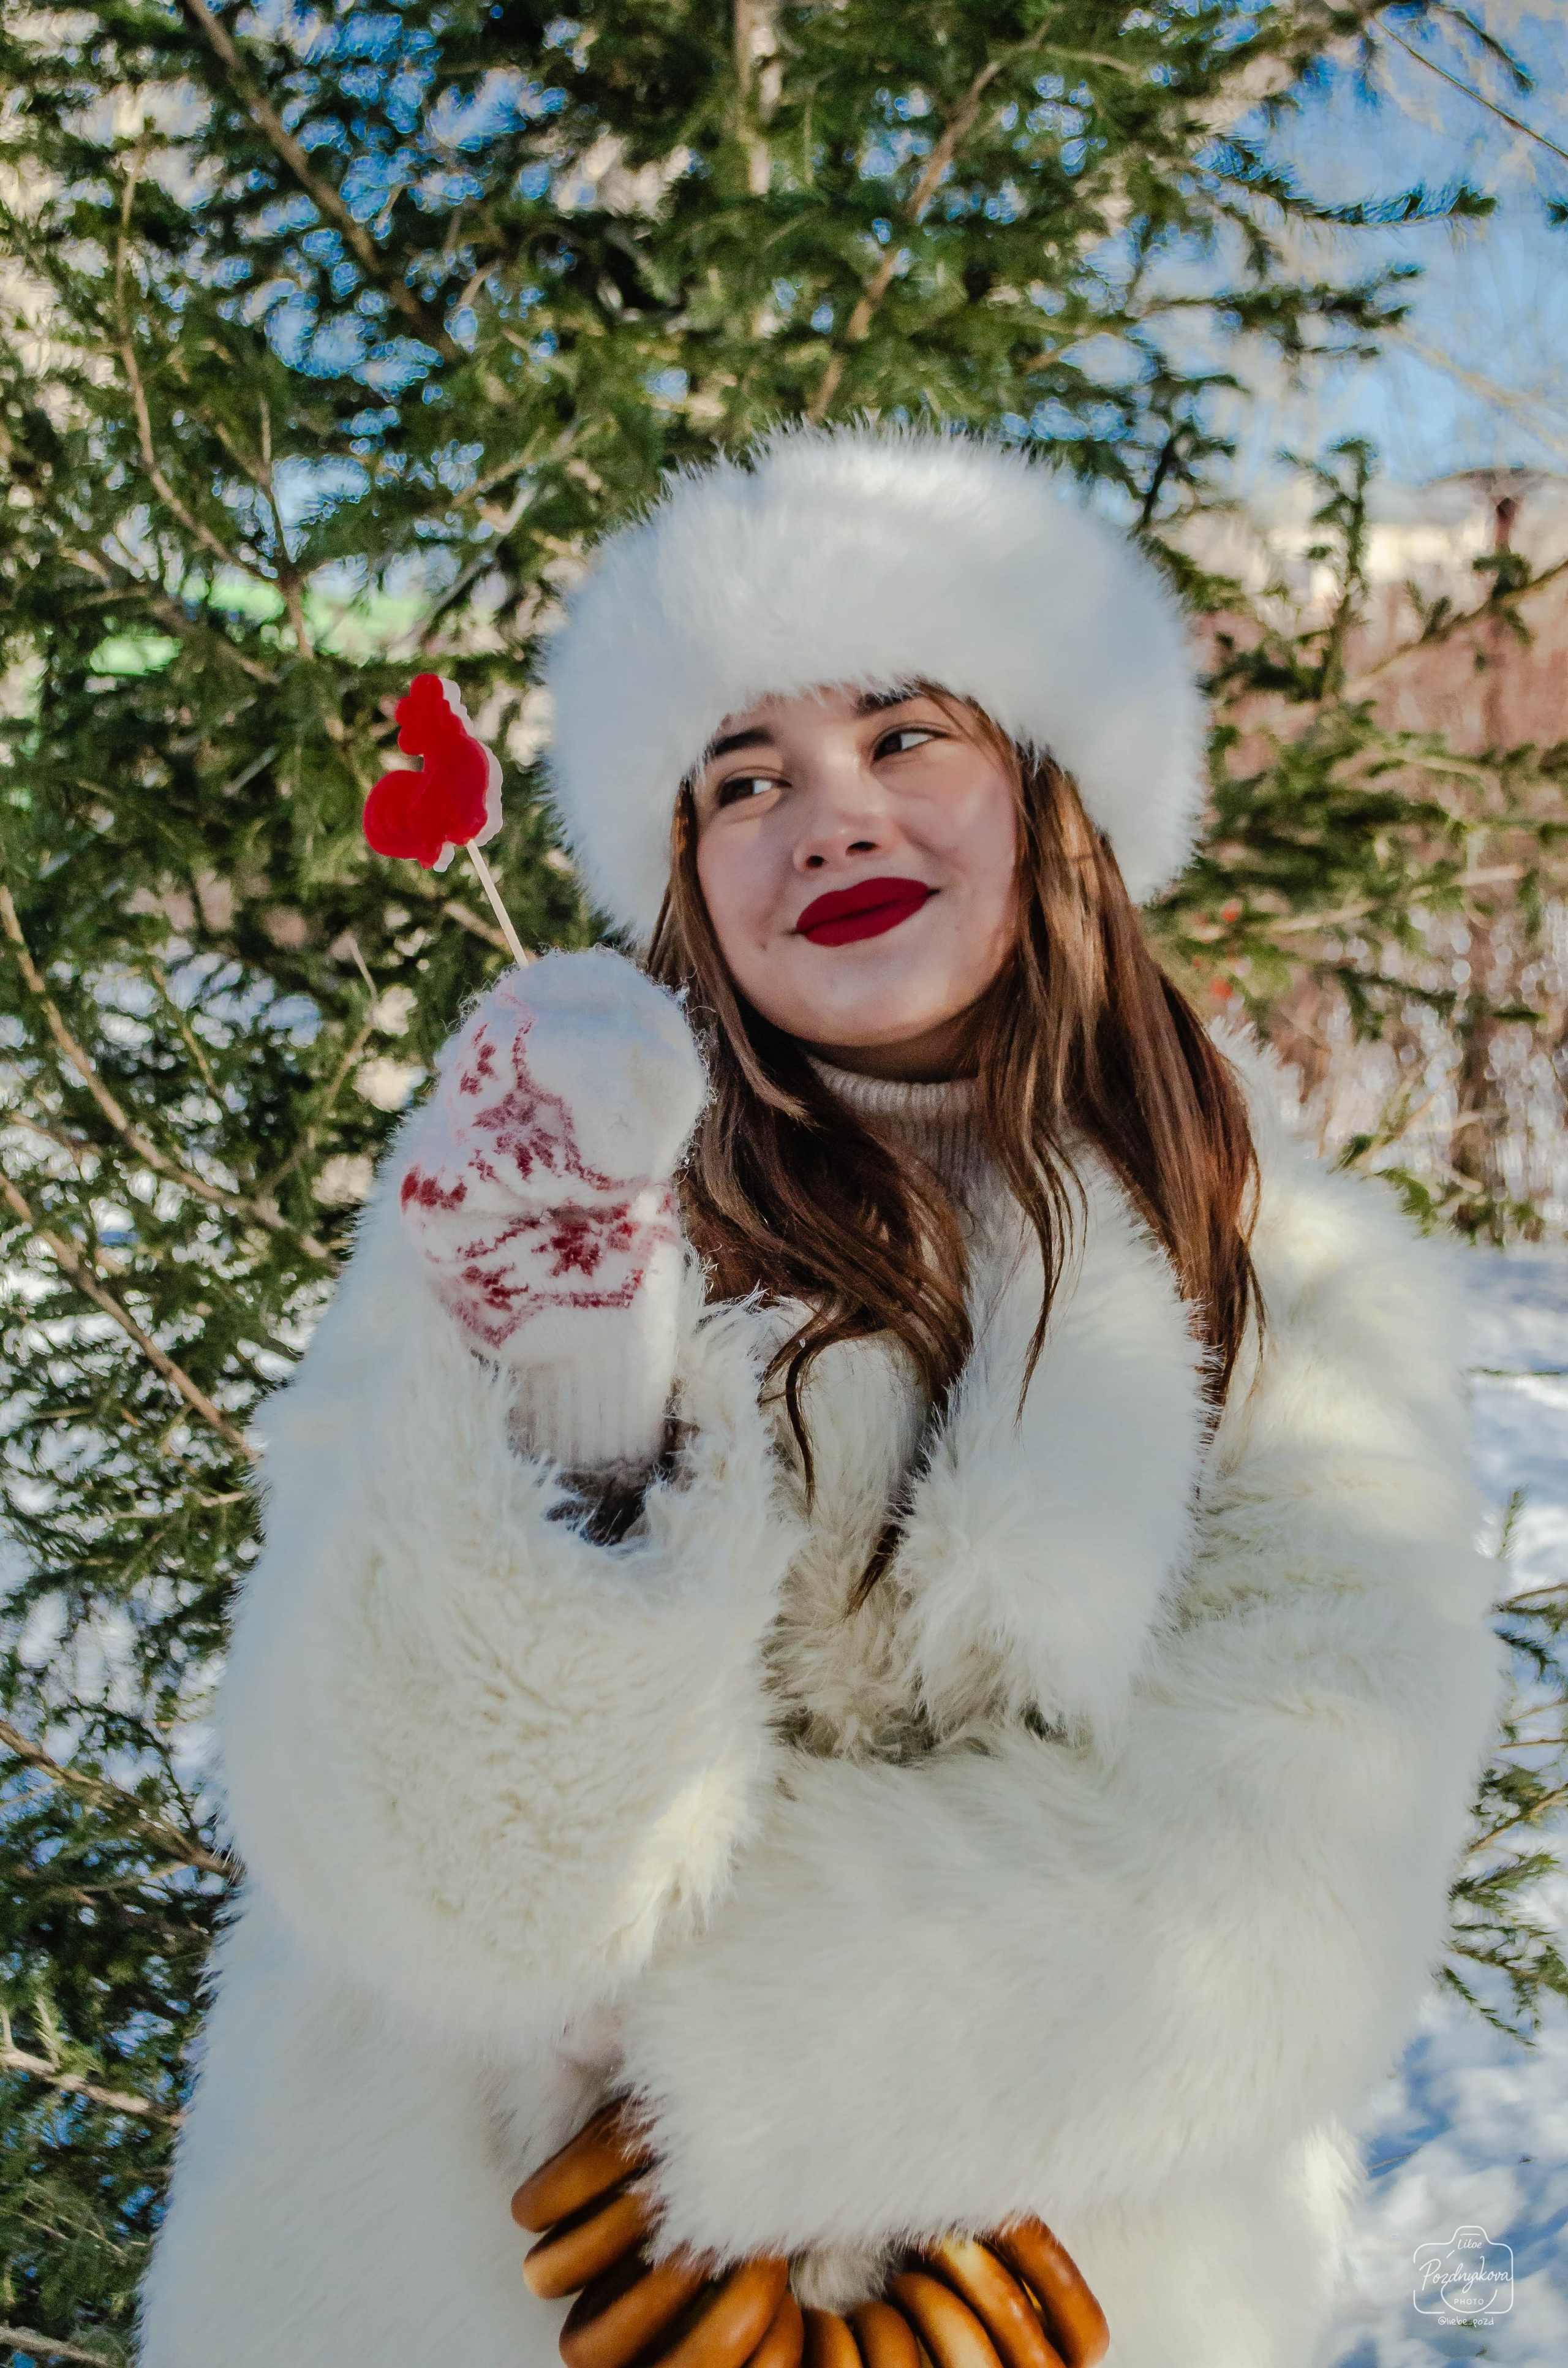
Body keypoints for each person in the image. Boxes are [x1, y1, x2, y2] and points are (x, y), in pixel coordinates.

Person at [140, 429, 1506, 2368]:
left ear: (1057, 795)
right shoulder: (540, 1182)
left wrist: (717, 2076)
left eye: (904, 737)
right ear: (688, 871)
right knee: (519, 1508)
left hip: (1060, 2278)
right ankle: (585, 1445)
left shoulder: (1289, 1277)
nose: (829, 816)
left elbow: (1301, 1827)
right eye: (744, 777)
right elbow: (364, 1810)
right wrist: (577, 1461)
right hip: (453, 2274)